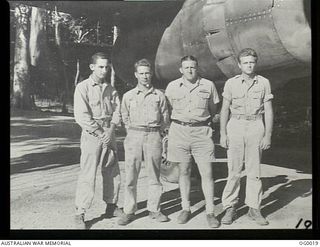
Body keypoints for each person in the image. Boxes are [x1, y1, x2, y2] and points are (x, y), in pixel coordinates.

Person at [220, 48, 274, 226]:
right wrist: (222, 133)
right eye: (245, 63)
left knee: (254, 171)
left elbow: (269, 111)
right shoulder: (231, 83)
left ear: (255, 63)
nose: (249, 65)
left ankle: (254, 208)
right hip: (235, 125)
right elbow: (224, 110)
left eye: (252, 62)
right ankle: (230, 207)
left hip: (255, 126)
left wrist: (267, 135)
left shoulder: (264, 83)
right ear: (239, 65)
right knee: (234, 171)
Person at [165, 55, 220, 228]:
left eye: (193, 67)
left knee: (207, 173)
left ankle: (210, 211)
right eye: (186, 67)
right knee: (184, 171)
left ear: (197, 68)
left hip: (201, 132)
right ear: (181, 69)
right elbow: (167, 109)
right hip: (179, 132)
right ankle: (185, 208)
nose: (190, 70)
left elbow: (213, 109)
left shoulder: (208, 85)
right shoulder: (172, 87)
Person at [118, 58, 170, 225]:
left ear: (151, 74)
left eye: (147, 73)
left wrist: (158, 134)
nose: (145, 76)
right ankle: (129, 210)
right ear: (136, 75)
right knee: (131, 176)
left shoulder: (159, 96)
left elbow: (165, 118)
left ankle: (154, 209)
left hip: (154, 136)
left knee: (154, 175)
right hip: (134, 136)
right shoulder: (128, 96)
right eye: (141, 73)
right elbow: (124, 116)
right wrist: (132, 132)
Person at [73, 52, 122, 229]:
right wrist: (101, 133)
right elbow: (82, 116)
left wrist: (111, 129)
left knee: (112, 170)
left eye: (107, 67)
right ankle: (80, 212)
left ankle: (111, 205)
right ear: (92, 67)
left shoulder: (111, 89)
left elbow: (118, 110)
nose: (104, 70)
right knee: (88, 173)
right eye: (100, 67)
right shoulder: (83, 87)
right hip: (93, 135)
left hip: (109, 132)